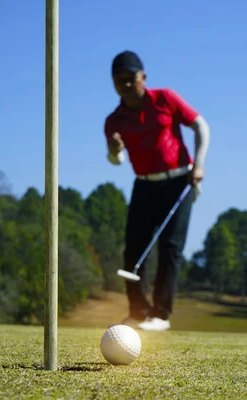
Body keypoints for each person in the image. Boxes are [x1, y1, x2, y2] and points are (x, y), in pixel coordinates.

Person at [103, 50, 210, 331]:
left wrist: (198, 165)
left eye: (131, 78)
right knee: (134, 249)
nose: (126, 84)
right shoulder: (113, 120)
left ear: (143, 77)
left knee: (170, 247)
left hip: (179, 181)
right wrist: (114, 150)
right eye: (119, 80)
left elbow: (200, 125)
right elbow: (117, 161)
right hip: (143, 184)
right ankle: (138, 311)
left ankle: (160, 315)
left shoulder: (165, 98)